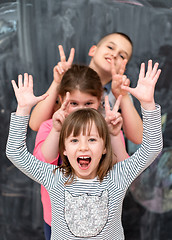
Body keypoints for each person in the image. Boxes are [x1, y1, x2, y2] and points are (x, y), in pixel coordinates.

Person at [6, 59, 163, 240]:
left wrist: (148, 103)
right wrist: (23, 109)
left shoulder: (119, 176)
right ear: (63, 149)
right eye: (74, 140)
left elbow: (152, 147)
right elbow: (15, 152)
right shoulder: (53, 177)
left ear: (105, 147)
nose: (83, 147)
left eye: (92, 139)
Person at [33, 63, 128, 240]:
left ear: (100, 100)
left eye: (88, 103)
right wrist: (56, 131)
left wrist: (113, 136)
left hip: (102, 222)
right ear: (61, 99)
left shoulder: (109, 129)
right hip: (58, 219)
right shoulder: (49, 127)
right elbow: (41, 164)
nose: (81, 109)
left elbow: (124, 168)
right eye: (74, 103)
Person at [29, 33, 143, 145]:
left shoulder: (121, 95)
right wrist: (58, 82)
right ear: (93, 50)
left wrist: (122, 95)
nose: (114, 54)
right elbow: (35, 124)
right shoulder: (70, 81)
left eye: (122, 56)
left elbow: (138, 138)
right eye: (110, 47)